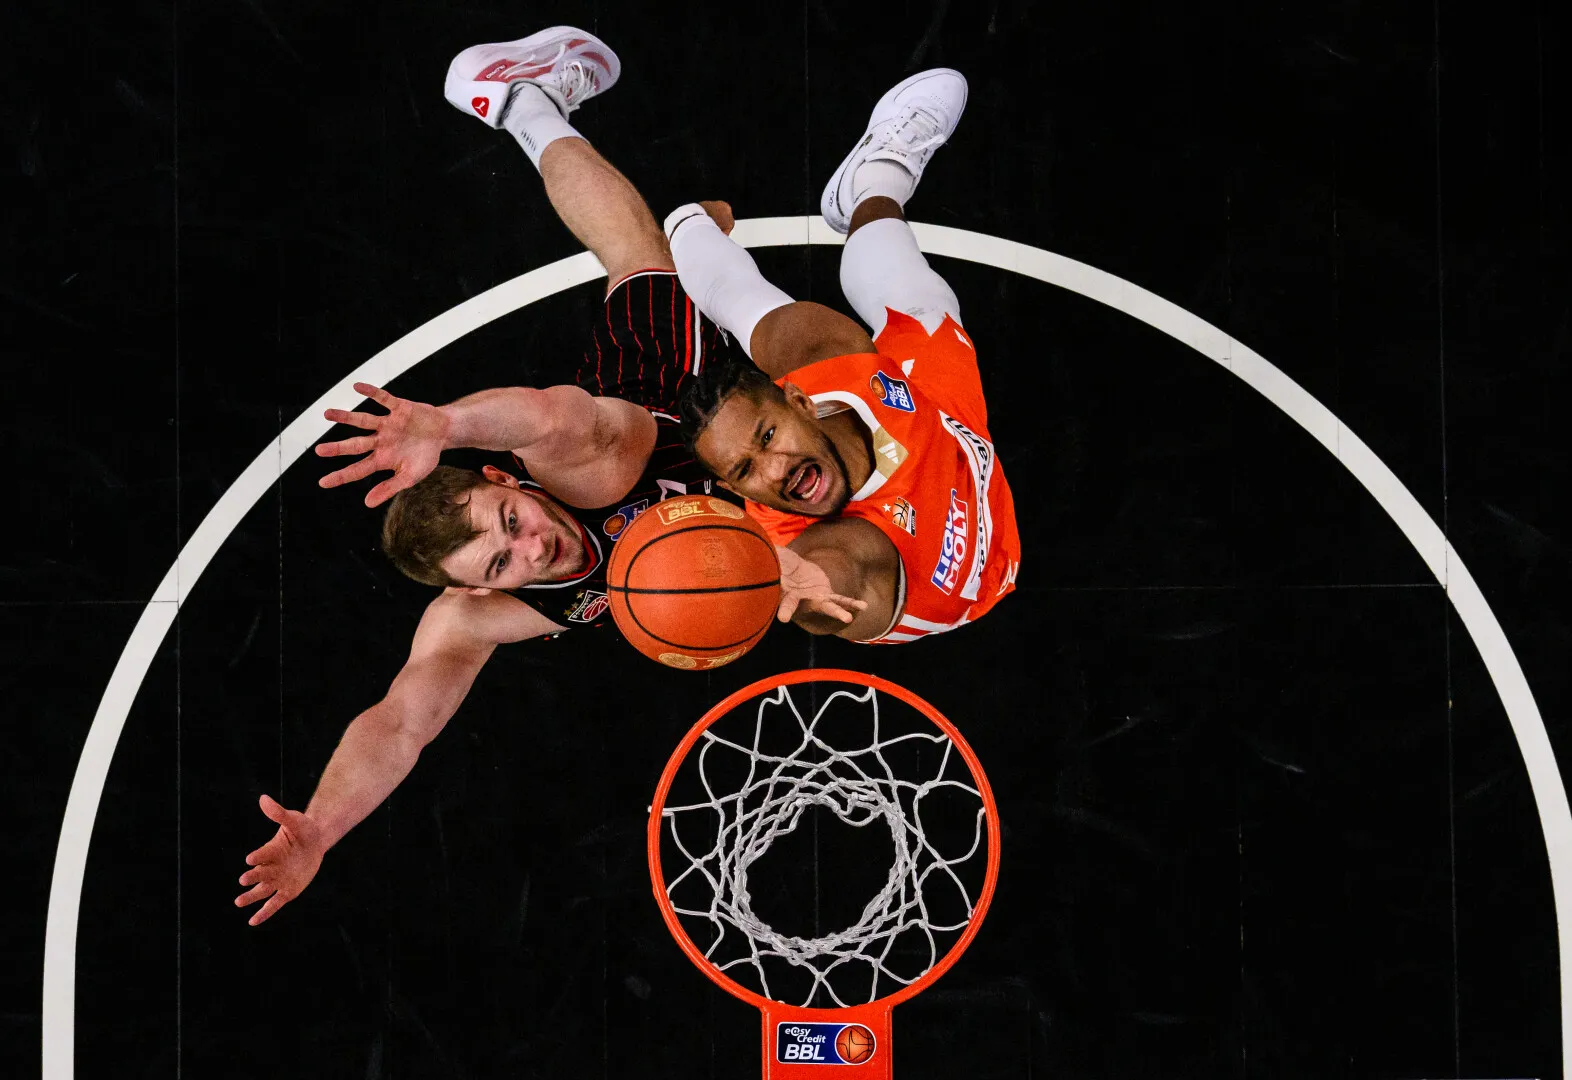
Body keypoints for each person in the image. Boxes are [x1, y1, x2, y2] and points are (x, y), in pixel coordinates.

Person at [235, 26, 857, 926]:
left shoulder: (573, 467)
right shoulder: (478, 616)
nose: (532, 547)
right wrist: (323, 827)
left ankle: (522, 101)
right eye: (500, 563)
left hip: (659, 411)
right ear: (473, 588)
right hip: (728, 510)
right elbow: (401, 723)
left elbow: (548, 415)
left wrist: (445, 424)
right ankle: (699, 242)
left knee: (642, 258)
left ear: (510, 481)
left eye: (509, 518)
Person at [667, 69, 1022, 646]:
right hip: (939, 583)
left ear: (800, 399)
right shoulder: (802, 556)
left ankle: (875, 177)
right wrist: (810, 592)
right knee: (923, 305)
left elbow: (735, 297)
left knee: (907, 299)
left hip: (939, 423)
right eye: (744, 472)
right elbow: (846, 568)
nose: (775, 470)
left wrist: (688, 225)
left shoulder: (829, 360)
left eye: (766, 437)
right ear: (734, 492)